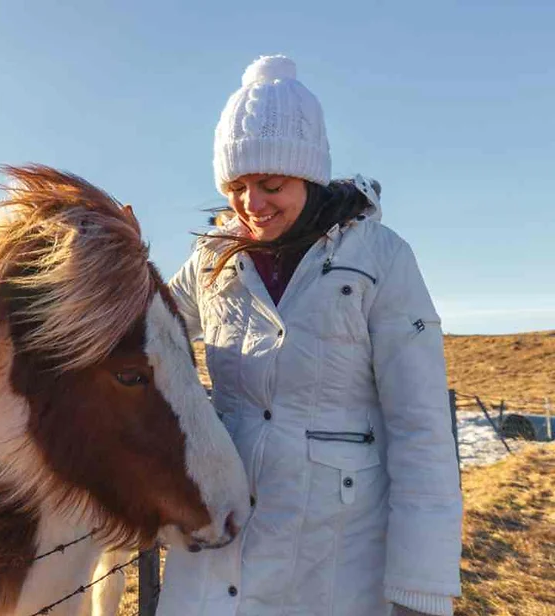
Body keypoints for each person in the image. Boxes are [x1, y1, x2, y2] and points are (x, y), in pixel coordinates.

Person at [157, 55, 463, 616]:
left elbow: (421, 429)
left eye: (271, 184)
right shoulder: (210, 263)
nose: (253, 205)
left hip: (336, 563)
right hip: (218, 555)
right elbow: (144, 320)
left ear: (309, 172)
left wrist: (421, 589)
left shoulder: (379, 258)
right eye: (237, 186)